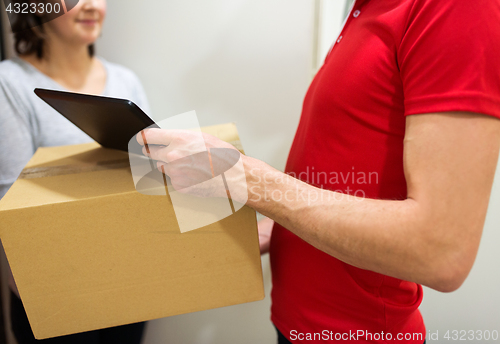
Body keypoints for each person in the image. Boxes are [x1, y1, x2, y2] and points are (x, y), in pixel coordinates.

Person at [135, 0, 500, 343]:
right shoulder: (365, 11)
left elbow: (441, 251)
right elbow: (358, 178)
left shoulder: (455, 8)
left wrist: (240, 176)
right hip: (296, 323)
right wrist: (280, 230)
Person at [0, 0, 149, 342]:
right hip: (52, 291)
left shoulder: (126, 81)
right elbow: (12, 204)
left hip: (130, 280)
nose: (92, 6)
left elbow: (149, 179)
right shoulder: (10, 83)